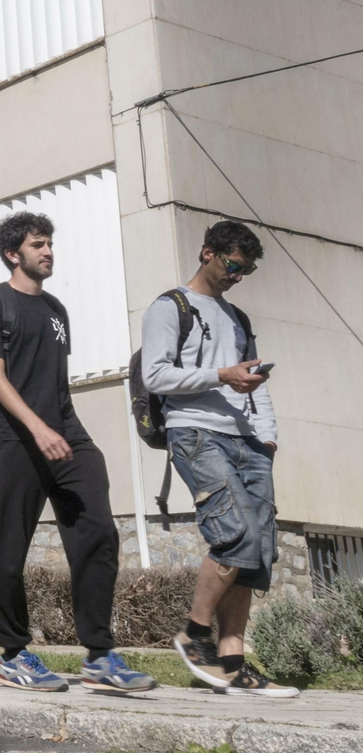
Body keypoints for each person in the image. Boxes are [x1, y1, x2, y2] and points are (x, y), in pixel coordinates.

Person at [0, 212, 155, 694]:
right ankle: (13, 655)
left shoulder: (56, 309)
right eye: (38, 245)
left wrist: (61, 430)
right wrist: (36, 428)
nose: (48, 251)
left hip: (66, 435)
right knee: (10, 555)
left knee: (98, 534)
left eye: (50, 243)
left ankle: (99, 655)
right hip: (15, 440)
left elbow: (53, 381)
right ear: (13, 254)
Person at [143, 221, 296, 698]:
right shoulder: (171, 307)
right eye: (232, 265)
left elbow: (254, 381)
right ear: (207, 252)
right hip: (195, 431)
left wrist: (267, 437)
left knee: (257, 551)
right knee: (234, 534)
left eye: (246, 270)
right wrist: (220, 376)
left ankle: (233, 663)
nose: (237, 276)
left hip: (249, 441)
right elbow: (155, 376)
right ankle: (194, 634)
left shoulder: (237, 318)